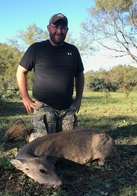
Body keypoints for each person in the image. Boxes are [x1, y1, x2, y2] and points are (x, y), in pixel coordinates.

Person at [15, 13, 85, 142]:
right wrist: (25, 97)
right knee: (43, 143)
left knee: (69, 143)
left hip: (67, 107)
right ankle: (22, 130)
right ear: (49, 28)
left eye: (63, 28)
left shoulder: (73, 51)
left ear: (67, 30)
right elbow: (21, 71)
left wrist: (79, 98)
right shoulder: (37, 48)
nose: (59, 31)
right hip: (44, 105)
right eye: (56, 27)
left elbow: (79, 75)